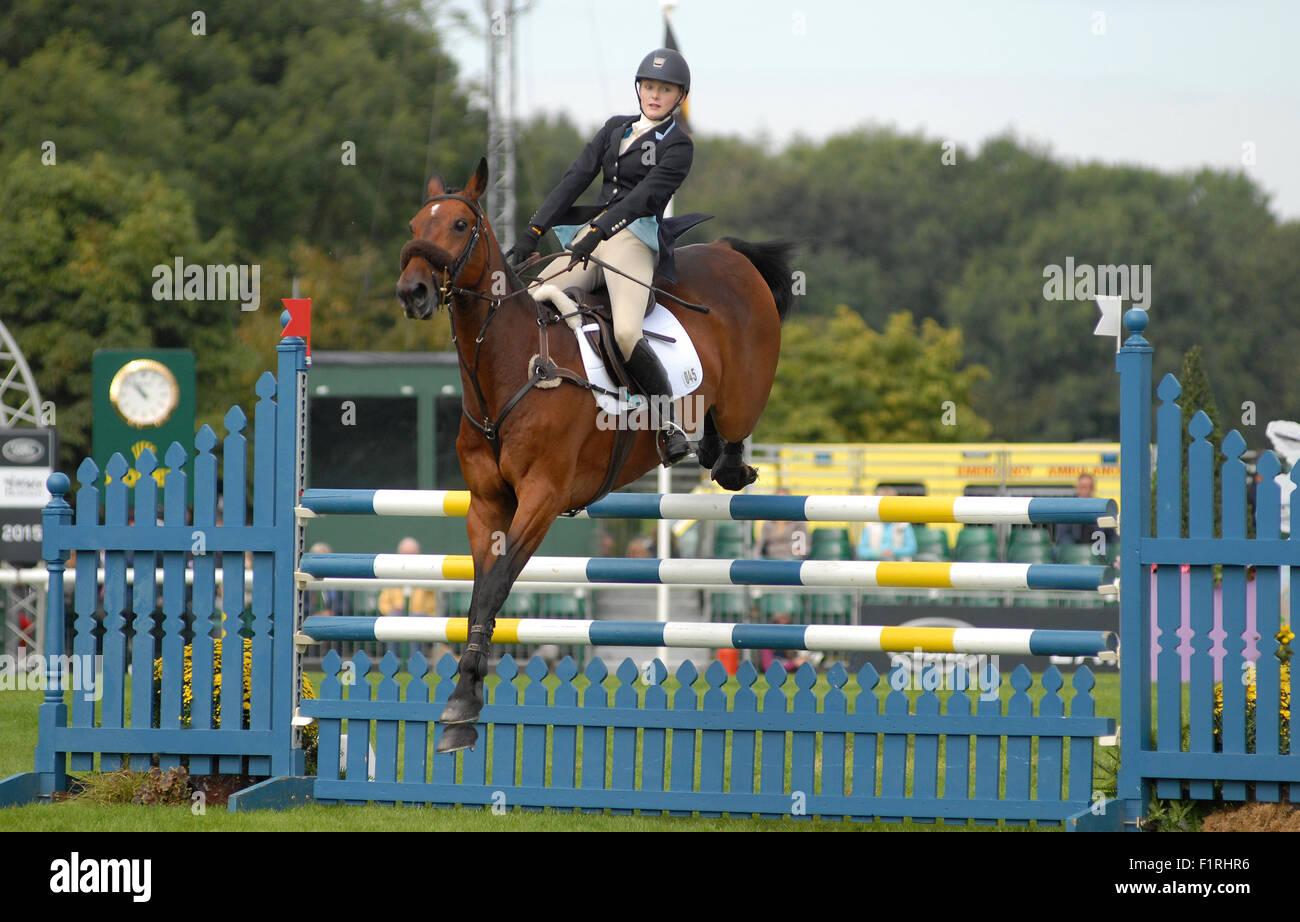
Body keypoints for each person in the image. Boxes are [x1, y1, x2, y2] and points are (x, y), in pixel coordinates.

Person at [506, 48, 707, 466]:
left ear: (678, 96)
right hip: (588, 239)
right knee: (533, 297)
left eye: (664, 89)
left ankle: (668, 423)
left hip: (632, 241)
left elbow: (643, 197)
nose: (654, 95)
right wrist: (533, 232)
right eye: (649, 86)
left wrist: (598, 231)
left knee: (628, 333)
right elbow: (575, 179)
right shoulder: (615, 129)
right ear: (639, 89)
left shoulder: (679, 146)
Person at [1053, 473, 1117, 550]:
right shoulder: (1067, 510)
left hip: (1097, 555)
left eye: (1090, 487)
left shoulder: (1101, 510)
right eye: (1084, 487)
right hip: (1074, 555)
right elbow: (1063, 538)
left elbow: (1112, 538)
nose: (1087, 491)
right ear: (1077, 488)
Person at [377, 537, 436, 617]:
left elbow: (432, 607)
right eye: (405, 554)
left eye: (412, 554)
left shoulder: (427, 574)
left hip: (420, 620)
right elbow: (383, 605)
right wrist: (394, 609)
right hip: (396, 619)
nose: (408, 559)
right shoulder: (391, 574)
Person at [855, 486, 917, 560]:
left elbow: (911, 549)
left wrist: (893, 552)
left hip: (899, 567)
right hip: (875, 567)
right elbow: (861, 551)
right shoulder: (870, 525)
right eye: (882, 504)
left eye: (889, 503)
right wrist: (879, 553)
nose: (886, 507)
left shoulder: (904, 524)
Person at [756, 487, 809, 559]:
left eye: (784, 501)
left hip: (791, 561)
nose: (781, 504)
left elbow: (804, 547)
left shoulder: (798, 522)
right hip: (771, 560)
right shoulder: (768, 523)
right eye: (777, 501)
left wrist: (795, 558)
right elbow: (759, 545)